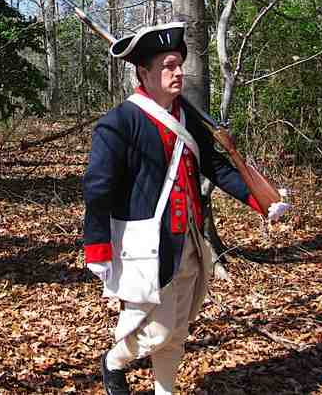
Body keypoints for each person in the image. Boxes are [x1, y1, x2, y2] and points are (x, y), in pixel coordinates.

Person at [83, 22, 289, 395]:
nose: (178, 72)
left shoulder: (188, 118)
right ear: (143, 73)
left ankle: (166, 389)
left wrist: (260, 202)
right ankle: (114, 361)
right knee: (156, 331)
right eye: (168, 65)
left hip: (190, 240)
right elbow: (97, 188)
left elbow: (219, 167)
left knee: (177, 330)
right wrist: (97, 247)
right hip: (146, 246)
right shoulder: (119, 123)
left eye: (178, 64)